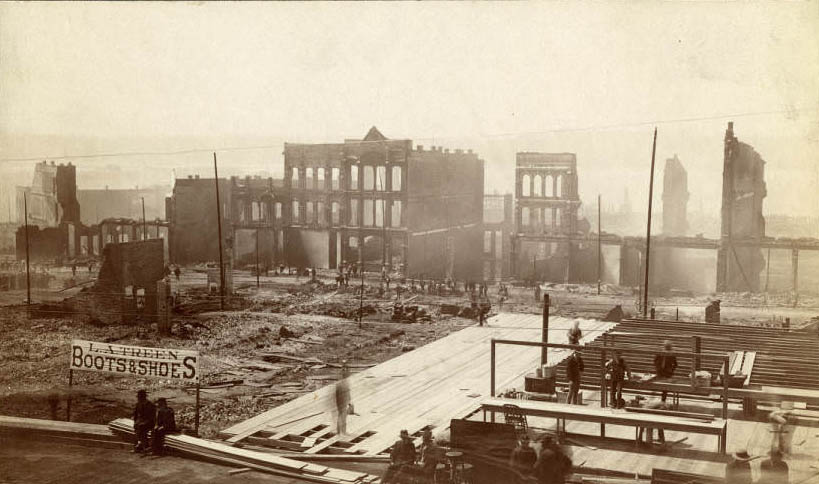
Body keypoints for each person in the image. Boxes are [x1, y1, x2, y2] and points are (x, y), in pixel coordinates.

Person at [334, 362, 351, 436]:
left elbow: (348, 391)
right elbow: (338, 393)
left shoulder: (345, 381)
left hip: (344, 399)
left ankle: (342, 431)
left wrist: (349, 400)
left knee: (343, 416)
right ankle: (341, 432)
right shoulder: (340, 382)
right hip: (341, 400)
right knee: (342, 415)